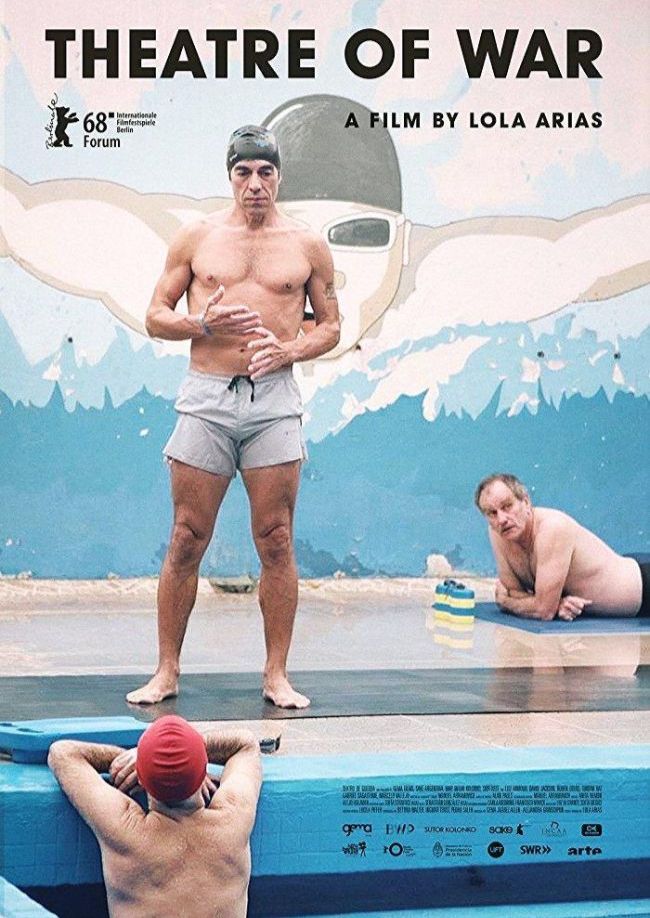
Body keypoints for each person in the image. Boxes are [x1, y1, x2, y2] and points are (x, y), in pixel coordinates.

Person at [126, 125, 340, 708]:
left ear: (279, 177)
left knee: (277, 539)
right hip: (207, 397)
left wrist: (290, 350)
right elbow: (154, 315)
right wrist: (201, 324)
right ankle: (166, 671)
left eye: (265, 172)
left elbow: (331, 326)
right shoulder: (198, 237)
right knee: (186, 537)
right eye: (244, 172)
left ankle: (276, 675)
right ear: (230, 177)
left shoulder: (307, 245)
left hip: (273, 401)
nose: (255, 184)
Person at [47, 715, 263, 918]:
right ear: (203, 769)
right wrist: (186, 756)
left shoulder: (124, 829)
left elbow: (63, 753)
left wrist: (142, 758)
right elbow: (246, 744)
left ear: (141, 777)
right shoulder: (233, 818)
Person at [475, 473, 648, 620]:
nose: (502, 519)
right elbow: (513, 591)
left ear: (526, 502)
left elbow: (542, 610)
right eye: (492, 513)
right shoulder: (498, 532)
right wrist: (554, 604)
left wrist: (508, 604)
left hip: (642, 587)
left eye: (507, 506)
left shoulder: (552, 528)